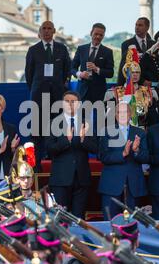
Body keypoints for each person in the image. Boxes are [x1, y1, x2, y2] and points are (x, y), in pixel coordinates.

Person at [24, 21, 71, 170]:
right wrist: (37, 89)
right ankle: (35, 166)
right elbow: (29, 75)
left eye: (49, 28)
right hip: (38, 97)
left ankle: (56, 163)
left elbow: (67, 71)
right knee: (37, 131)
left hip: (57, 97)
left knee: (57, 130)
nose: (46, 31)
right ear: (39, 32)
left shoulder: (62, 49)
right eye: (43, 28)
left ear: (54, 31)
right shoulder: (33, 50)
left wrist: (61, 87)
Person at [46, 91, 98, 219]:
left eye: (73, 101)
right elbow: (49, 150)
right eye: (66, 101)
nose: (70, 104)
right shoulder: (53, 123)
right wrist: (67, 139)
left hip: (81, 180)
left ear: (79, 104)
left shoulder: (86, 123)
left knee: (78, 219)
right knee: (59, 219)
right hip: (60, 180)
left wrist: (83, 139)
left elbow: (96, 148)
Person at [98, 102, 149, 220]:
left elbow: (146, 157)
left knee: (132, 224)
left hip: (133, 185)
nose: (122, 115)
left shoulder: (140, 133)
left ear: (130, 114)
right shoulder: (106, 131)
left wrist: (136, 151)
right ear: (115, 115)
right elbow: (102, 156)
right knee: (110, 223)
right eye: (119, 112)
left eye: (125, 112)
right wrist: (123, 154)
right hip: (111, 185)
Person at [104, 48, 159, 129]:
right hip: (120, 132)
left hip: (143, 132)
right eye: (132, 72)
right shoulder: (113, 93)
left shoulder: (149, 92)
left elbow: (154, 119)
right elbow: (108, 120)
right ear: (125, 72)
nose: (135, 75)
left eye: (137, 72)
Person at [71, 23, 114, 104]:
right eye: (96, 34)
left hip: (99, 93)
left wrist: (96, 69)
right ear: (91, 33)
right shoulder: (81, 49)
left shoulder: (108, 52)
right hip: (82, 91)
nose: (98, 37)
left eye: (101, 35)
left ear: (103, 36)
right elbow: (72, 68)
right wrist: (80, 74)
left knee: (99, 117)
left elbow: (110, 73)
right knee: (81, 116)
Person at [118, 17, 155, 85]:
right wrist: (142, 81)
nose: (137, 27)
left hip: (150, 84)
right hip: (134, 84)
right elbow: (126, 66)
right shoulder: (127, 44)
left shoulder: (153, 44)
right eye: (136, 25)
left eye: (140, 25)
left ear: (147, 27)